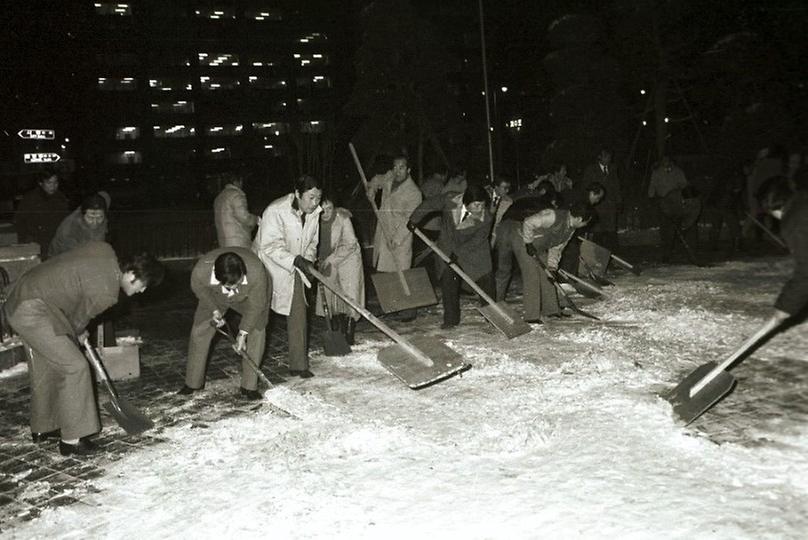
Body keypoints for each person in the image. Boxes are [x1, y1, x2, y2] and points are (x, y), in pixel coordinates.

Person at [5, 242, 164, 456]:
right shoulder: (107, 292)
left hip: (23, 296)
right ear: (132, 274)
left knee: (48, 363)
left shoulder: (106, 251)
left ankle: (44, 427)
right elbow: (78, 322)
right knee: (75, 366)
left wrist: (76, 329)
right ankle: (71, 440)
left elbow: (75, 296)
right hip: (33, 311)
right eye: (143, 285)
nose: (142, 290)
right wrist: (77, 331)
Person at [253, 175, 322, 379]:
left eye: (318, 197)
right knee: (260, 316)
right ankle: (251, 367)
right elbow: (269, 246)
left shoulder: (314, 212)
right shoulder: (276, 210)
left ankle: (298, 365)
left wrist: (307, 260)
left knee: (299, 313)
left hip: (296, 267)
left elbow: (312, 242)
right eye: (310, 197)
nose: (315, 203)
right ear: (298, 194)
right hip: (268, 266)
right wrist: (295, 259)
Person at [178, 248, 270, 400]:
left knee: (257, 329)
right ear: (218, 278)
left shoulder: (257, 272)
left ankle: (249, 386)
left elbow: (256, 306)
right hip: (216, 295)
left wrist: (242, 333)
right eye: (230, 285)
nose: (233, 288)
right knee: (200, 330)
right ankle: (193, 382)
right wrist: (214, 310)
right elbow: (199, 290)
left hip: (250, 295)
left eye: (237, 283)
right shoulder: (201, 272)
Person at [408, 184, 494, 329]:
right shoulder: (450, 199)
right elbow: (430, 204)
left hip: (475, 251)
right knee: (448, 280)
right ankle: (450, 320)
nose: (480, 209)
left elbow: (476, 241)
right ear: (466, 202)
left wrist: (458, 254)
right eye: (477, 205)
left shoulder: (486, 218)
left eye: (483, 205)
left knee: (486, 279)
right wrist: (414, 219)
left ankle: (493, 316)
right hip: (448, 246)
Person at [513, 202, 593, 322]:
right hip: (523, 241)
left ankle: (551, 311)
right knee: (532, 276)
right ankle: (531, 316)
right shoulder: (553, 216)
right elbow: (528, 222)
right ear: (579, 218)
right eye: (585, 223)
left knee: (548, 277)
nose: (585, 225)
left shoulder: (570, 229)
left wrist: (552, 266)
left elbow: (557, 248)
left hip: (539, 247)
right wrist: (528, 242)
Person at [367, 155, 422, 320]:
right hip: (384, 232)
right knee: (384, 271)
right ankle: (391, 307)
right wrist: (372, 188)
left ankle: (408, 310)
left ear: (409, 170)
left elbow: (410, 220)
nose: (397, 171)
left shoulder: (414, 193)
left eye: (402, 167)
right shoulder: (390, 177)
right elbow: (377, 179)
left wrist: (397, 239)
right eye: (395, 167)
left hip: (401, 236)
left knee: (401, 271)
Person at [315, 196, 365, 345]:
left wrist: (330, 259)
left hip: (348, 259)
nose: (326, 213)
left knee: (349, 296)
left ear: (334, 207)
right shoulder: (313, 220)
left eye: (329, 208)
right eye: (322, 210)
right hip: (327, 261)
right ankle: (338, 331)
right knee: (331, 296)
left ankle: (349, 333)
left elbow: (350, 243)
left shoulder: (342, 219)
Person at [14, 170, 69, 258]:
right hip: (36, 242)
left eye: (55, 182)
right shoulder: (30, 199)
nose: (53, 186)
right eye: (49, 183)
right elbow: (20, 221)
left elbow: (66, 221)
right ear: (40, 183)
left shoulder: (61, 198)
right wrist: (25, 242)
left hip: (55, 241)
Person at [648, 156, 689, 260]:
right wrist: (651, 197)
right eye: (663, 161)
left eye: (667, 160)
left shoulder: (678, 171)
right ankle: (666, 250)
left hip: (676, 202)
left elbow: (684, 184)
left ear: (671, 161)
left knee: (676, 225)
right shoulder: (657, 172)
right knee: (665, 226)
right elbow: (652, 186)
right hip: (662, 202)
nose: (666, 162)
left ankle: (677, 248)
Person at [580, 149, 621, 250]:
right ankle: (597, 259)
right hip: (597, 206)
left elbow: (616, 186)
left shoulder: (613, 169)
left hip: (610, 206)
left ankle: (612, 257)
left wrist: (619, 201)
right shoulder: (591, 169)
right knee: (597, 233)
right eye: (605, 156)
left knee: (611, 234)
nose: (608, 159)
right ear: (599, 157)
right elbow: (585, 187)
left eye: (609, 156)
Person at [49, 192, 111, 257]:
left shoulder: (102, 213)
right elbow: (73, 256)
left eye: (99, 217)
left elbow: (105, 195)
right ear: (82, 215)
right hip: (59, 258)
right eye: (90, 217)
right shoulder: (70, 228)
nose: (95, 222)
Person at [213, 172, 259, 248]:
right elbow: (244, 217)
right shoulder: (236, 195)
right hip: (238, 239)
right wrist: (255, 219)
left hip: (223, 240)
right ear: (236, 182)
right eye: (241, 181)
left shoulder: (219, 197)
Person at [486, 176, 513, 247]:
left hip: (494, 232)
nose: (507, 191)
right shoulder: (484, 195)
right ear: (496, 187)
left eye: (508, 188)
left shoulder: (508, 201)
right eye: (505, 188)